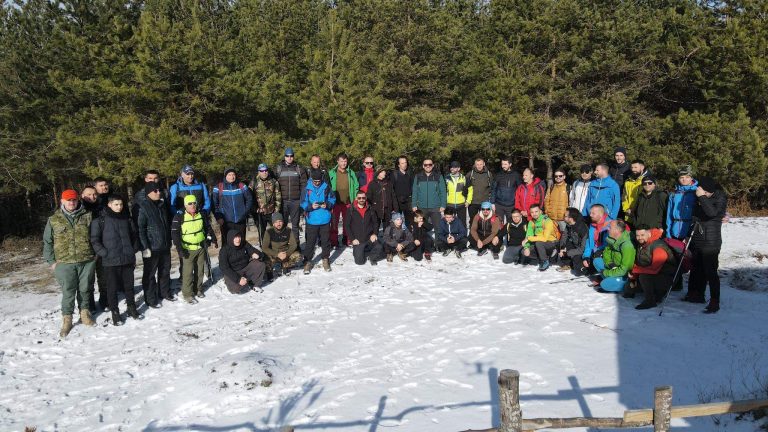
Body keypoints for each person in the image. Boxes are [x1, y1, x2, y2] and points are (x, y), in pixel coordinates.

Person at [43, 189, 96, 337]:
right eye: (68, 200)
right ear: (62, 201)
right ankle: (67, 319)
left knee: (85, 289)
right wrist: (51, 262)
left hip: (86, 260)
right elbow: (47, 242)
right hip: (64, 262)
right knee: (68, 291)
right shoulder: (54, 219)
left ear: (77, 200)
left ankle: (84, 314)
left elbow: (96, 236)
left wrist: (95, 255)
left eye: (73, 200)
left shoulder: (87, 216)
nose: (71, 202)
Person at [90, 194, 142, 325]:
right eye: (116, 204)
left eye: (121, 204)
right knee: (111, 288)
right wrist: (104, 253)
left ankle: (131, 307)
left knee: (129, 286)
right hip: (110, 260)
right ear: (109, 205)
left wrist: (133, 249)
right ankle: (115, 312)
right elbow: (94, 240)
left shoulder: (127, 219)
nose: (119, 207)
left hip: (127, 258)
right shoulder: (99, 221)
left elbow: (134, 235)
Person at [685, 176, 727, 313]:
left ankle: (715, 301)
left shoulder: (720, 198)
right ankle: (696, 294)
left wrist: (702, 198)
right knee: (697, 268)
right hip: (698, 237)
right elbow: (695, 215)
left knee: (711, 272)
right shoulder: (700, 197)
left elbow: (712, 213)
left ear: (709, 191)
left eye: (704, 191)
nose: (701, 193)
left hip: (711, 240)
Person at [171, 194, 216, 303]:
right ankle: (187, 293)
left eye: (194, 203)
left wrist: (211, 238)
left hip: (200, 246)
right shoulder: (179, 216)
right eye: (189, 204)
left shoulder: (201, 213)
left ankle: (198, 289)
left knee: (200, 270)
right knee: (187, 272)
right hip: (187, 248)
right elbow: (175, 234)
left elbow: (207, 227)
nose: (192, 205)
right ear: (185, 205)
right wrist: (180, 249)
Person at [136, 181, 174, 308]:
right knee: (150, 274)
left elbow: (166, 224)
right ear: (148, 193)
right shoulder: (143, 206)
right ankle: (151, 299)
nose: (159, 192)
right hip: (152, 247)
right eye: (155, 191)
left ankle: (164, 292)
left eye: (159, 190)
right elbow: (140, 229)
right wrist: (145, 247)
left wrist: (169, 240)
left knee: (165, 271)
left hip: (164, 244)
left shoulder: (162, 205)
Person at [629, 228, 678, 309]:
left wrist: (635, 270)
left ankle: (650, 301)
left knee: (644, 277)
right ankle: (654, 293)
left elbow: (654, 269)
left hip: (667, 276)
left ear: (649, 234)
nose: (639, 237)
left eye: (642, 235)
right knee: (629, 288)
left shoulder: (658, 247)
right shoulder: (642, 243)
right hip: (655, 275)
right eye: (637, 235)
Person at [301, 170, 336, 274]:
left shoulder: (326, 187)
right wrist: (310, 207)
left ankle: (325, 259)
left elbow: (333, 199)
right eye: (315, 181)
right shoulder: (307, 188)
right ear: (311, 179)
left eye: (319, 181)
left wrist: (328, 205)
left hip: (325, 219)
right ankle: (307, 261)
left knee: (325, 241)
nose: (317, 183)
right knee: (310, 243)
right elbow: (302, 202)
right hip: (312, 220)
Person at [276, 147, 308, 247]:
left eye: (291, 156)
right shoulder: (278, 169)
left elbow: (304, 186)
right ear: (284, 157)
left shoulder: (299, 169)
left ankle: (296, 246)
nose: (289, 158)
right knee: (283, 225)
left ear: (293, 157)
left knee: (295, 225)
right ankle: (284, 245)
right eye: (287, 156)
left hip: (295, 201)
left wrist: (302, 201)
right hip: (283, 202)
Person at [591, 219, 635, 292]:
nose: (608, 229)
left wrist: (606, 273)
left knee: (604, 285)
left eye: (610, 227)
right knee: (597, 261)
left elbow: (625, 269)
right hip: (614, 267)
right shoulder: (611, 239)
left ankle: (625, 285)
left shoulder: (627, 245)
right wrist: (610, 264)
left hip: (624, 274)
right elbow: (606, 253)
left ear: (617, 230)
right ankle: (611, 280)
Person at [344, 191, 385, 265]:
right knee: (359, 262)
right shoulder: (351, 210)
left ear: (365, 198)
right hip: (358, 240)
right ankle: (359, 251)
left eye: (363, 198)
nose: (361, 199)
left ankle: (372, 257)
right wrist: (352, 239)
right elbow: (347, 225)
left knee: (380, 247)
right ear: (356, 198)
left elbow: (376, 223)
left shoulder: (370, 209)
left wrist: (375, 234)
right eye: (359, 198)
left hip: (369, 238)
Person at [212, 167, 253, 241]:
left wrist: (245, 212)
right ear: (225, 176)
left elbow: (249, 199)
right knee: (227, 243)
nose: (232, 176)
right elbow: (214, 204)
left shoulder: (241, 185)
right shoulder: (218, 187)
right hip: (226, 221)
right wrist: (218, 217)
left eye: (233, 174)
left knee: (241, 241)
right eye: (229, 175)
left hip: (241, 220)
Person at [328, 153, 359, 248]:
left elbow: (356, 186)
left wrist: (354, 199)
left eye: (345, 161)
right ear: (338, 161)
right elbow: (327, 187)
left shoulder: (351, 173)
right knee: (334, 223)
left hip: (348, 202)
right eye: (342, 161)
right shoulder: (331, 173)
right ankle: (334, 241)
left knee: (347, 222)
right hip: (335, 202)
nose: (344, 163)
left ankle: (346, 239)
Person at [521, 204, 560, 271]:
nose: (534, 214)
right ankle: (543, 256)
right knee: (523, 251)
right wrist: (526, 247)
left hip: (552, 242)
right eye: (532, 212)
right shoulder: (531, 222)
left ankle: (545, 260)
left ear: (540, 211)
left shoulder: (547, 221)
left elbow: (545, 238)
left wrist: (529, 238)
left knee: (539, 243)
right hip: (540, 243)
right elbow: (528, 235)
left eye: (536, 211)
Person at [412, 158, 447, 229]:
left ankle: (438, 240)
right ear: (423, 166)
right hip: (422, 207)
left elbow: (443, 191)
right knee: (421, 227)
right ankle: (423, 240)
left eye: (430, 164)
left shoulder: (438, 176)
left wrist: (443, 205)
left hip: (435, 207)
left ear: (433, 165)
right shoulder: (418, 176)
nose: (428, 166)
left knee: (438, 228)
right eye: (426, 165)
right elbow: (415, 191)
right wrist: (414, 204)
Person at [666, 164, 699, 240]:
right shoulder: (674, 193)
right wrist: (668, 231)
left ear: (691, 178)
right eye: (681, 177)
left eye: (687, 177)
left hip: (690, 231)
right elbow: (669, 214)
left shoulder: (697, 192)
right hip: (675, 230)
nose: (684, 179)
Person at [251, 163, 282, 242]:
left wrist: (276, 210)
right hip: (260, 213)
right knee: (262, 233)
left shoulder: (273, 182)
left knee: (276, 231)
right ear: (258, 172)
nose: (264, 172)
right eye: (262, 171)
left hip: (272, 212)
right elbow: (249, 198)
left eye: (265, 170)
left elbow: (278, 196)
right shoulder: (254, 182)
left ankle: (277, 248)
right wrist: (255, 209)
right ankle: (265, 250)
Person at [556, 208, 589, 273]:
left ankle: (581, 266)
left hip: (581, 250)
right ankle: (567, 264)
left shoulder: (583, 229)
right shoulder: (569, 224)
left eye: (565, 216)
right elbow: (564, 236)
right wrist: (562, 248)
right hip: (574, 245)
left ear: (570, 218)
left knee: (578, 268)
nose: (563, 217)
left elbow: (582, 249)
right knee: (559, 244)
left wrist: (567, 253)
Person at [581, 204, 613, 273]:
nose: (590, 215)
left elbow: (609, 245)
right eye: (590, 213)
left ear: (601, 214)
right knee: (581, 267)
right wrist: (586, 256)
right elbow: (589, 243)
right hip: (594, 253)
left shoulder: (610, 225)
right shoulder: (592, 225)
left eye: (593, 213)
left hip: (605, 254)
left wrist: (597, 252)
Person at [491, 157, 522, 225]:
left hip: (511, 205)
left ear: (510, 164)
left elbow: (520, 190)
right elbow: (494, 189)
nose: (503, 166)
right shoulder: (498, 175)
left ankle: (510, 236)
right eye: (502, 164)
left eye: (505, 164)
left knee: (510, 224)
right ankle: (499, 236)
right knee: (498, 224)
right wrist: (492, 203)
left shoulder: (516, 175)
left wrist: (519, 203)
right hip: (499, 205)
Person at [366, 167, 397, 232]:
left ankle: (387, 241)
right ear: (378, 173)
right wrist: (370, 207)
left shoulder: (389, 183)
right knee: (375, 226)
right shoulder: (372, 184)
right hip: (376, 209)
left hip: (388, 209)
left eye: (384, 172)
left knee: (387, 228)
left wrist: (395, 208)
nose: (384, 173)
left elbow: (393, 196)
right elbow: (368, 196)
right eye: (382, 172)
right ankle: (374, 241)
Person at [466, 158, 493, 224]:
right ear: (475, 165)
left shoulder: (489, 174)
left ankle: (484, 234)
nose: (479, 166)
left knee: (485, 220)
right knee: (473, 220)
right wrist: (467, 199)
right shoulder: (470, 174)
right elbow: (465, 188)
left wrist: (490, 198)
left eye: (481, 164)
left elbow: (491, 187)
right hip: (473, 202)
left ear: (484, 164)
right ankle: (472, 234)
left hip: (484, 202)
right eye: (477, 164)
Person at [392, 156, 415, 227]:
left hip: (408, 201)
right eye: (402, 163)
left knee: (410, 221)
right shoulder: (394, 174)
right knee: (397, 221)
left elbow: (413, 187)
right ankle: (397, 237)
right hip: (397, 202)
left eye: (405, 162)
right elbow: (391, 189)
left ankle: (409, 236)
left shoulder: (410, 173)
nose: (404, 164)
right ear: (398, 165)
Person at [445, 161, 469, 228]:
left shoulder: (464, 178)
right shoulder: (446, 178)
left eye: (454, 167)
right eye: (451, 167)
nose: (452, 169)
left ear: (458, 169)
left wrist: (468, 201)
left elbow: (470, 190)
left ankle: (463, 237)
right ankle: (451, 237)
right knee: (450, 223)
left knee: (462, 223)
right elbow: (443, 191)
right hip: (450, 204)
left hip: (461, 204)